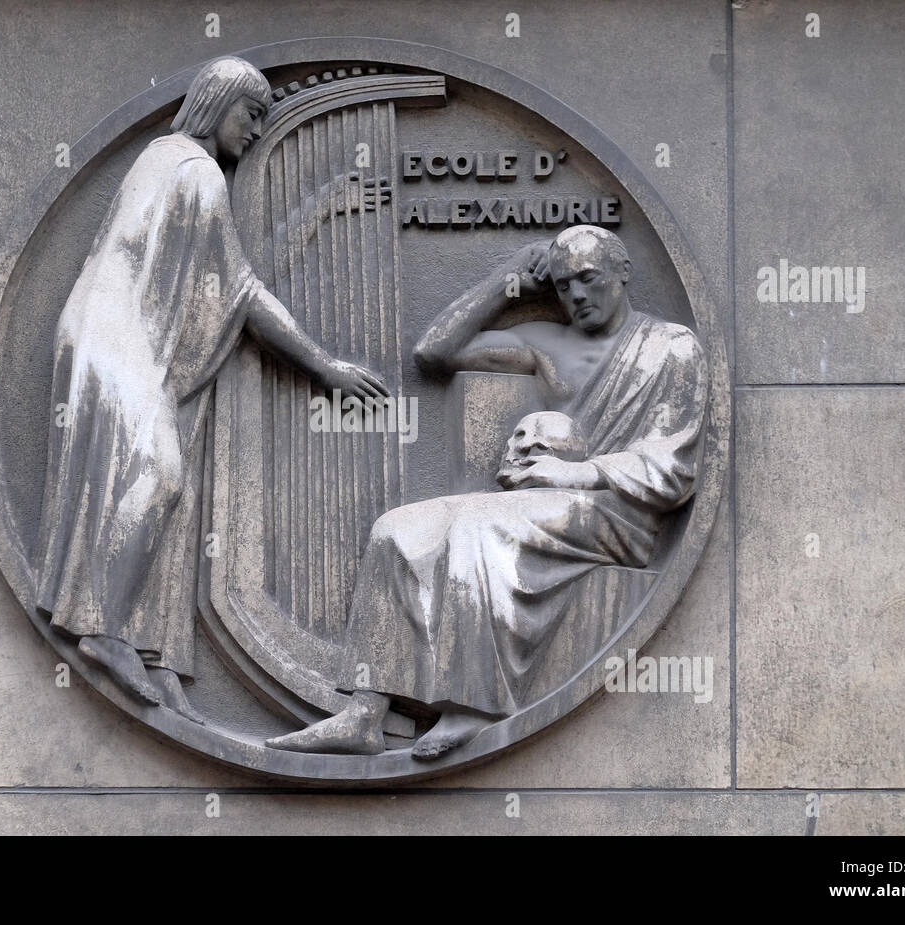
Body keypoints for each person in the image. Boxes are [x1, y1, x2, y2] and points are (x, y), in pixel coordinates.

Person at [266, 225, 707, 758]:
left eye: (589, 279)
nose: (577, 296)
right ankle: (364, 712)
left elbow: (671, 467)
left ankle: (470, 706)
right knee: (399, 529)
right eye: (564, 286)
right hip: (539, 501)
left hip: (617, 513)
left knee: (478, 525)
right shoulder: (548, 344)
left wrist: (573, 473)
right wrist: (507, 281)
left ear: (623, 273)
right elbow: (435, 351)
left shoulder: (672, 348)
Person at [34, 56, 387, 722]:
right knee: (162, 475)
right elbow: (244, 292)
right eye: (251, 115)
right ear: (217, 102)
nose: (255, 132)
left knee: (177, 497)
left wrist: (317, 211)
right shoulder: (190, 167)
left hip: (112, 334)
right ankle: (104, 626)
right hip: (115, 333)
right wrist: (325, 365)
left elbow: (226, 281)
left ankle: (159, 661)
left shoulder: (167, 164)